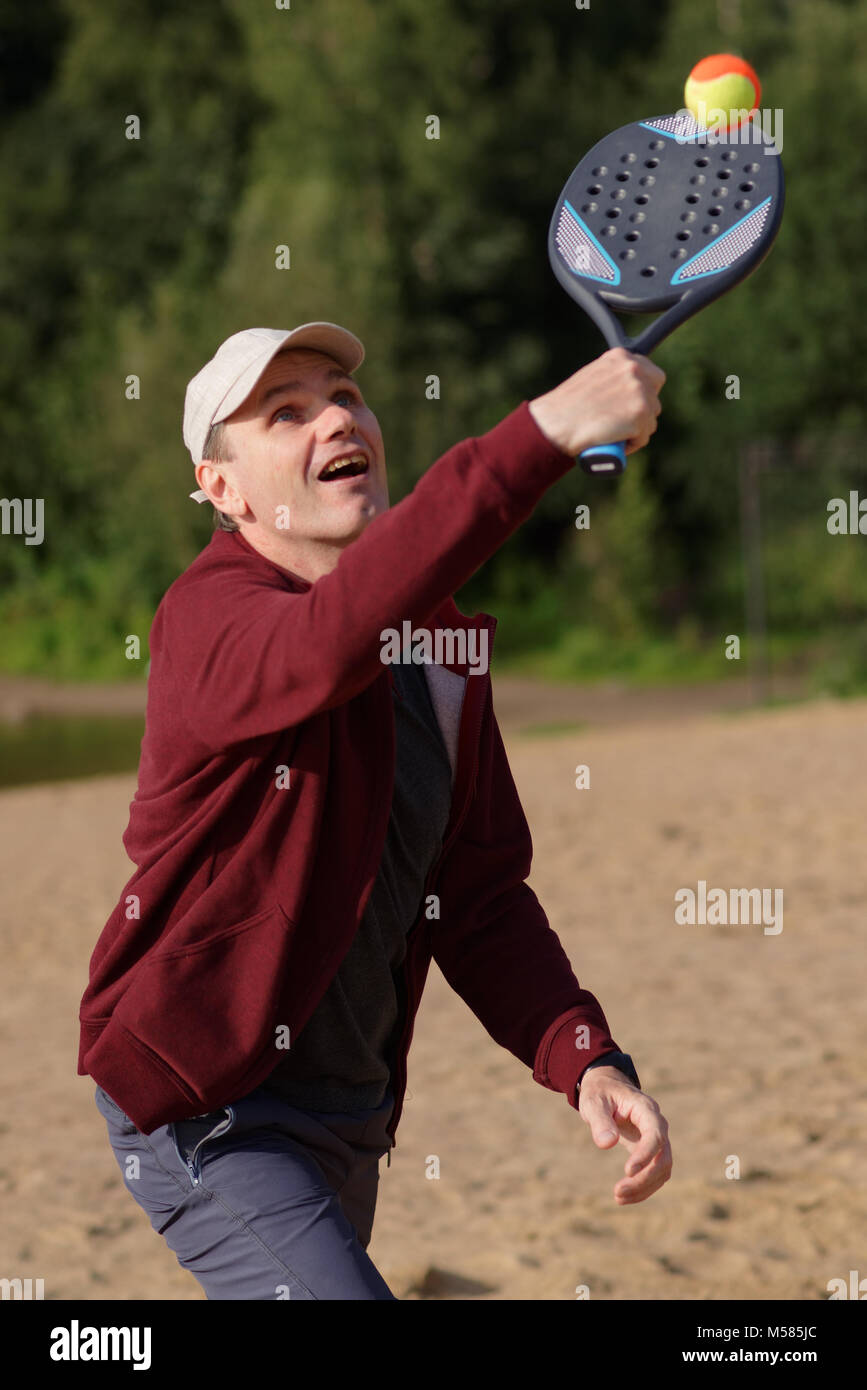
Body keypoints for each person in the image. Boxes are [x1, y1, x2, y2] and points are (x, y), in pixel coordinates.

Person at [78, 322, 672, 1300]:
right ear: (222, 489)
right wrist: (546, 430)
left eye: (344, 395)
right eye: (287, 412)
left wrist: (583, 1053)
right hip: (208, 1107)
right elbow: (327, 642)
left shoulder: (440, 647)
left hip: (351, 1114)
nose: (335, 417)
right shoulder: (207, 616)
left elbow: (476, 895)